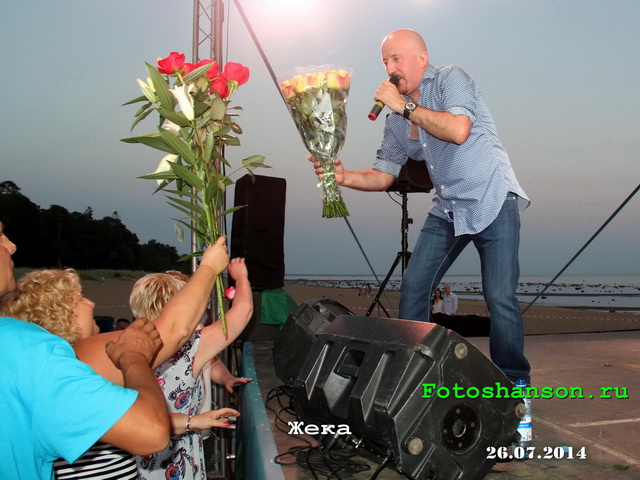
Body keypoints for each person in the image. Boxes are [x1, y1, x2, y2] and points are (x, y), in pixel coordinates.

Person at [309, 29, 530, 384]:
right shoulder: (395, 119)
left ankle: (515, 384)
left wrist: (405, 107)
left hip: (492, 198)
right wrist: (344, 176)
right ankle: (415, 378)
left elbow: (458, 130)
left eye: (396, 58)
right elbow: (383, 175)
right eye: (385, 61)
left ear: (421, 60)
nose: (390, 68)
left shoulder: (450, 79)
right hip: (448, 208)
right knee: (414, 287)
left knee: (499, 296)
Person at [3, 237, 231, 479]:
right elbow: (174, 330)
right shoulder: (72, 360)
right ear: (59, 313)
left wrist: (192, 422)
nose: (91, 303)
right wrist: (209, 267)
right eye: (79, 298)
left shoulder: (23, 357)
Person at [0, 221, 170, 480]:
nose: (11, 246)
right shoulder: (27, 349)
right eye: (0, 236)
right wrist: (134, 357)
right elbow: (151, 431)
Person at [130, 257, 253, 480]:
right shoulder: (191, 346)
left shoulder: (123, 346)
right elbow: (242, 310)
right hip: (178, 455)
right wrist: (242, 277)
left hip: (137, 454)